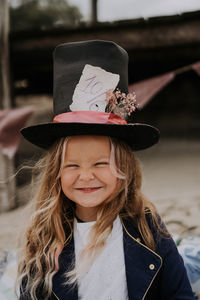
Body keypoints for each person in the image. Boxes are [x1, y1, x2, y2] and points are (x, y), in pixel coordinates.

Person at [18, 40, 195, 300]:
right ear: (56, 172)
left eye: (101, 163)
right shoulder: (44, 236)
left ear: (125, 168)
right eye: (72, 165)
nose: (86, 175)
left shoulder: (149, 228)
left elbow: (180, 295)